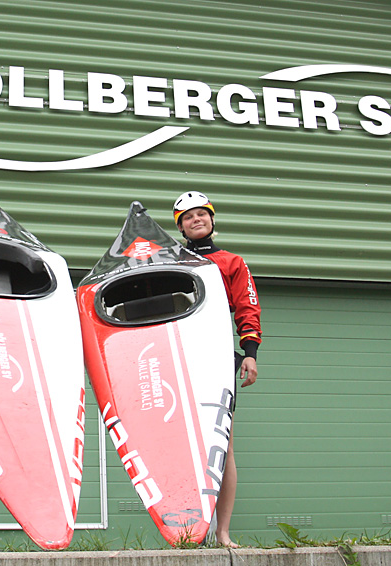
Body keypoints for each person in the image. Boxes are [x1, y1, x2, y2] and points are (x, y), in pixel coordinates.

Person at [173, 191, 262, 549]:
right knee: (183, 446)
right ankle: (185, 531)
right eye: (188, 217)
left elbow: (247, 307)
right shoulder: (169, 260)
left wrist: (250, 353)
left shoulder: (232, 262)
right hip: (178, 355)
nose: (197, 220)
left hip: (219, 357)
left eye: (202, 214)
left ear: (212, 220)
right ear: (179, 226)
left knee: (223, 448)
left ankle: (222, 532)